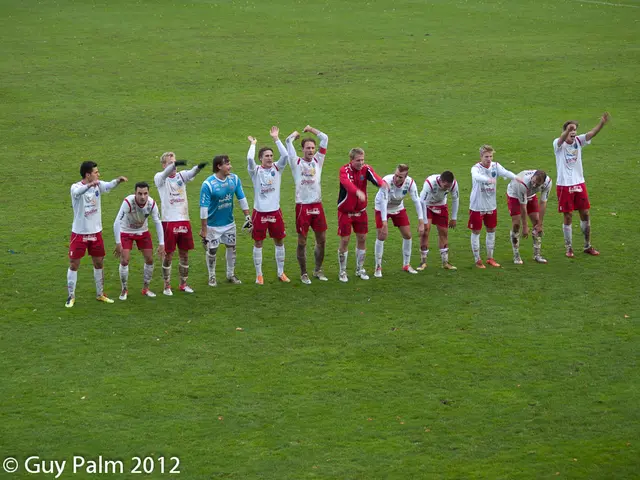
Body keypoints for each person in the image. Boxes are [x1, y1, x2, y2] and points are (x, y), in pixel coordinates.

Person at [66, 161, 127, 308]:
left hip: (96, 232)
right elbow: (77, 193)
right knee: (74, 264)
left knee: (99, 263)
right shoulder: (76, 187)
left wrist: (117, 181)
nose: (98, 174)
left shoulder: (98, 184)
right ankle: (71, 296)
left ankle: (100, 294)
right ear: (88, 175)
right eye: (96, 172)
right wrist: (89, 186)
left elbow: (108, 185)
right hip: (79, 233)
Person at [554, 112, 610, 257]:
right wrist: (567, 130)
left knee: (585, 213)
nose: (573, 133)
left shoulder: (579, 141)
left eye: (574, 131)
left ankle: (587, 245)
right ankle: (569, 248)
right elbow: (561, 140)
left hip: (579, 183)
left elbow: (591, 133)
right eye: (570, 131)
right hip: (564, 185)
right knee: (568, 216)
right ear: (565, 132)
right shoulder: (558, 144)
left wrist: (602, 124)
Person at [154, 153, 207, 296]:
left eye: (175, 162)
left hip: (184, 219)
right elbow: (165, 173)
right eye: (170, 163)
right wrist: (174, 165)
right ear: (164, 165)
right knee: (169, 255)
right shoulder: (160, 178)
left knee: (184, 254)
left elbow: (191, 173)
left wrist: (198, 167)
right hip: (169, 221)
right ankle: (167, 286)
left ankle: (183, 284)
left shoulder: (181, 176)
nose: (174, 166)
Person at [285, 125, 329, 284]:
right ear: (302, 149)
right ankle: (304, 273)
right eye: (307, 148)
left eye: (312, 148)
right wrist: (294, 134)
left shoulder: (318, 160)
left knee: (322, 239)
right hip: (302, 206)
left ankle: (318, 270)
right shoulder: (296, 162)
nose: (310, 150)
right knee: (302, 241)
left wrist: (311, 130)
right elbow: (287, 142)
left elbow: (325, 138)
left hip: (317, 204)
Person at [247, 126, 290, 285]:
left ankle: (281, 272)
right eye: (266, 156)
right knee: (258, 242)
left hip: (275, 212)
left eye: (271, 155)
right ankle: (259, 275)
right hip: (259, 213)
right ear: (260, 158)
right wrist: (253, 144)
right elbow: (250, 160)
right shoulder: (255, 171)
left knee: (279, 241)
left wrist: (276, 139)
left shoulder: (278, 168)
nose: (270, 158)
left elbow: (285, 155)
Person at [199, 155, 250, 286]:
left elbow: (241, 198)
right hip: (213, 225)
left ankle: (230, 274)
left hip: (229, 223)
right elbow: (203, 209)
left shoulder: (234, 179)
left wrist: (247, 216)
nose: (230, 166)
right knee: (212, 251)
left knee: (231, 248)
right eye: (227, 164)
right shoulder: (208, 184)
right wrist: (204, 229)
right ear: (219, 166)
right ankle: (212, 276)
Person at [337, 148, 387, 282]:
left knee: (362, 238)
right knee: (345, 240)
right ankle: (342, 271)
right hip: (346, 212)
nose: (361, 163)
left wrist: (382, 184)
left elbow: (374, 177)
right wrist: (357, 191)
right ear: (351, 160)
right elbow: (347, 183)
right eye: (358, 160)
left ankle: (360, 268)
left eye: (362, 160)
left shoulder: (366, 169)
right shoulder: (344, 170)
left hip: (361, 212)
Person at [113, 182, 165, 300]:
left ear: (148, 193)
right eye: (140, 194)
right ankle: (124, 289)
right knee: (125, 260)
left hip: (143, 232)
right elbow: (117, 222)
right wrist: (118, 243)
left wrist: (162, 243)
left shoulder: (151, 203)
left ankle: (146, 288)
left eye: (145, 193)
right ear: (135, 193)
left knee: (150, 259)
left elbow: (157, 222)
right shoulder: (128, 202)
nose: (142, 197)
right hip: (126, 232)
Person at [469, 145, 517, 268]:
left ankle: (490, 258)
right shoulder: (476, 168)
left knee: (491, 230)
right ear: (481, 157)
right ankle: (477, 260)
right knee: (476, 231)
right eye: (486, 157)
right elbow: (477, 177)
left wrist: (517, 178)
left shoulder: (495, 166)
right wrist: (488, 180)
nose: (489, 159)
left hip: (491, 205)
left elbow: (506, 172)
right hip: (477, 206)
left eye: (490, 156)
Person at [373, 164, 425, 277]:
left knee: (407, 234)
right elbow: (384, 201)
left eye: (400, 177)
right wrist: (384, 222)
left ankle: (406, 264)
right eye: (396, 175)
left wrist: (421, 221)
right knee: (382, 236)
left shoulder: (410, 183)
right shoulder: (386, 181)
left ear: (405, 177)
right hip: (382, 207)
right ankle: (378, 267)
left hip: (398, 207)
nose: (397, 178)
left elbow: (416, 200)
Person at [506, 170, 552, 265]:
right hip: (514, 193)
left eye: (537, 184)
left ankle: (537, 255)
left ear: (543, 183)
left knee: (536, 221)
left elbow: (543, 203)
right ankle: (516, 255)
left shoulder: (548, 183)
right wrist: (525, 226)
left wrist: (540, 224)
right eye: (533, 182)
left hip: (530, 194)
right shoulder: (523, 182)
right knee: (516, 224)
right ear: (532, 177)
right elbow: (523, 207)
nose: (534, 185)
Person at [418, 171, 459, 270]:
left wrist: (454, 218)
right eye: (445, 186)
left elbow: (455, 199)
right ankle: (423, 262)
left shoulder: (453, 184)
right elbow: (422, 202)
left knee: (444, 232)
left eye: (448, 187)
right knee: (425, 231)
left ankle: (445, 262)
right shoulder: (430, 183)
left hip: (441, 206)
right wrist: (422, 221)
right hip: (427, 206)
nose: (447, 188)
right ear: (440, 181)